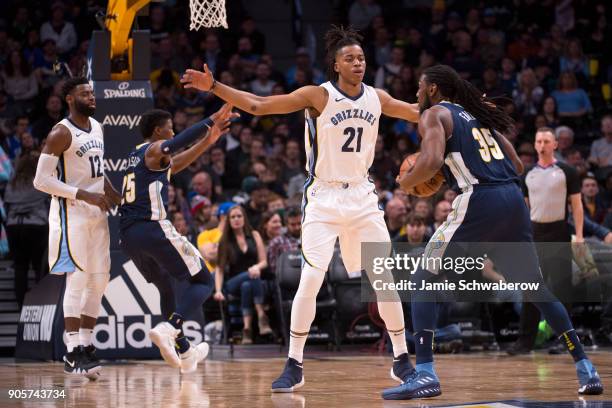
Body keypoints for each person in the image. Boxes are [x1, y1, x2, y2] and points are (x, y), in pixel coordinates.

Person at [181, 25, 420, 393]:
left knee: (383, 277)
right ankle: (294, 363)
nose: (358, 63)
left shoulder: (378, 98)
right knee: (311, 277)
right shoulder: (318, 96)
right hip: (323, 197)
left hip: (361, 195)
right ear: (336, 65)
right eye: (349, 59)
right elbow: (260, 105)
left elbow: (420, 114)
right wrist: (214, 87)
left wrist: (469, 110)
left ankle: (402, 358)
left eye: (361, 58)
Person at [385, 64, 603, 400]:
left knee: (422, 278)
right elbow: (517, 165)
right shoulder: (479, 116)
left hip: (480, 198)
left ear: (432, 89)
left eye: (418, 86)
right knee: (536, 288)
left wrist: (406, 182)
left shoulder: (434, 114)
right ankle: (585, 366)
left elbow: (427, 163)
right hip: (514, 200)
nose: (416, 93)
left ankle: (425, 372)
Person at [118, 105, 236, 373]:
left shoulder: (137, 155)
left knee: (166, 287)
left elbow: (179, 163)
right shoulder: (154, 149)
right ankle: (169, 328)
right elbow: (178, 143)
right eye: (170, 127)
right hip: (151, 227)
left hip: (128, 236)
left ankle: (183, 349)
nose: (173, 131)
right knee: (204, 280)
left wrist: (209, 140)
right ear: (159, 131)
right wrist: (212, 119)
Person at [33, 77, 121, 378]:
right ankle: (71, 351)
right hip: (72, 214)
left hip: (97, 214)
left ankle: (85, 345)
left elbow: (99, 170)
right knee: (78, 280)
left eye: (92, 93)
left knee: (100, 280)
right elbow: (41, 181)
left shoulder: (97, 128)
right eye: (85, 94)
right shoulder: (60, 133)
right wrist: (84, 195)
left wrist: (111, 193)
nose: (92, 97)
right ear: (70, 99)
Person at [214, 205, 272, 344]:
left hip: (251, 282)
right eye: (232, 217)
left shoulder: (254, 235)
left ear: (244, 218)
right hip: (233, 283)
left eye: (239, 216)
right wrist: (218, 290)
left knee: (248, 284)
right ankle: (261, 315)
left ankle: (247, 330)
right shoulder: (224, 241)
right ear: (228, 220)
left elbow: (264, 261)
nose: (236, 219)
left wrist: (256, 267)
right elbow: (219, 269)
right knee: (252, 275)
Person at [4, 151, 48, 307]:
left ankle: (21, 303)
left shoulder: (12, 182)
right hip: (36, 225)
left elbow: (7, 205)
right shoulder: (39, 180)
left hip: (13, 226)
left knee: (20, 266)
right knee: (39, 265)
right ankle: (41, 301)